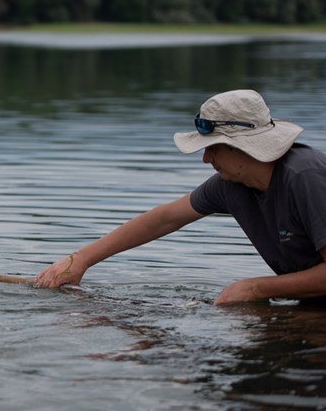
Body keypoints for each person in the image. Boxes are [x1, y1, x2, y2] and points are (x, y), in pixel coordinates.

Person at [34, 89, 326, 305]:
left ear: (244, 147)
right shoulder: (230, 184)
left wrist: (254, 288)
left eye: (213, 148)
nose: (206, 159)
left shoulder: (304, 177)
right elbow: (164, 219)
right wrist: (80, 260)